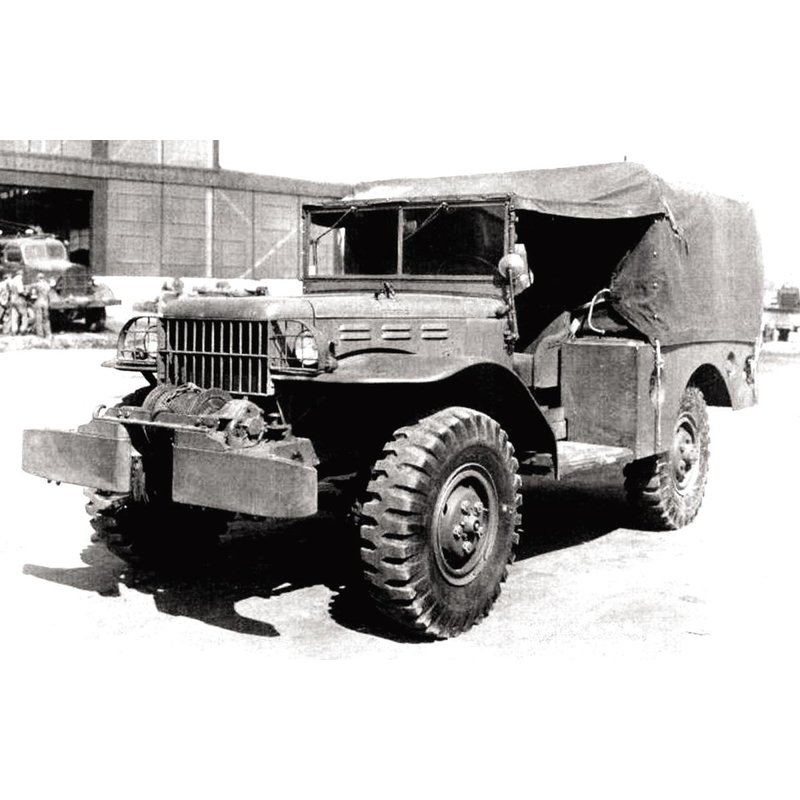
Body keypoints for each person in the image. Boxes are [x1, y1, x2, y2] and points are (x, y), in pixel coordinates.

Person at [31, 272, 52, 338]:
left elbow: (33, 294)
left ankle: (40, 334)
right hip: (46, 302)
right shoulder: (47, 285)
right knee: (46, 319)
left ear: (38, 278)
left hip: (39, 301)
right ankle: (48, 334)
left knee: (39, 319)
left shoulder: (37, 285)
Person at [9, 269, 29, 335]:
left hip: (12, 299)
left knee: (14, 315)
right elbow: (20, 291)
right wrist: (26, 293)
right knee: (24, 314)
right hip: (19, 299)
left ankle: (14, 330)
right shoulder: (19, 280)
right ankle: (23, 330)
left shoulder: (12, 280)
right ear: (21, 274)